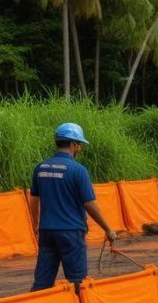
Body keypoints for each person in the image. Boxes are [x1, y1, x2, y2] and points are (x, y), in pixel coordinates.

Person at [30, 123, 116, 290]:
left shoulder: (40, 168)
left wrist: (35, 224)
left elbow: (33, 198)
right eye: (79, 145)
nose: (79, 149)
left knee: (42, 281)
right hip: (71, 232)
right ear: (73, 144)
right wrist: (107, 228)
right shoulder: (78, 170)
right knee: (77, 282)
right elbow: (89, 204)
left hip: (47, 231)